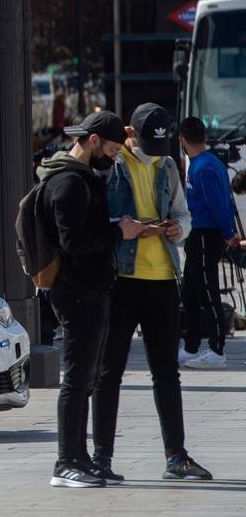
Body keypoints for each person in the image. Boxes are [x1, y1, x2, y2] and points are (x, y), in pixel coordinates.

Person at [92, 103, 211, 484]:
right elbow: (97, 218)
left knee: (167, 372)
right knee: (109, 371)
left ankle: (176, 456)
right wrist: (126, 228)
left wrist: (177, 229)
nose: (155, 153)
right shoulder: (113, 162)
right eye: (148, 144)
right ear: (132, 134)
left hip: (162, 276)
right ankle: (102, 457)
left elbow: (183, 213)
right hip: (122, 279)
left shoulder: (168, 165)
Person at [37, 111, 147, 488]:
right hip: (77, 291)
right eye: (113, 150)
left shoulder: (80, 178)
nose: (114, 157)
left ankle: (81, 459)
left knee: (85, 379)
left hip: (90, 290)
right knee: (76, 379)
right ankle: (65, 463)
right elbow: (74, 243)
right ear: (94, 141)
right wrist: (119, 231)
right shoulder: (68, 183)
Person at [177, 117, 238, 370]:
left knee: (208, 291)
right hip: (198, 235)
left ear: (182, 139)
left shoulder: (201, 167)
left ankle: (216, 349)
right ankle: (191, 345)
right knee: (190, 292)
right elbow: (227, 200)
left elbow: (215, 203)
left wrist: (227, 231)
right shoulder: (212, 162)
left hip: (205, 234)